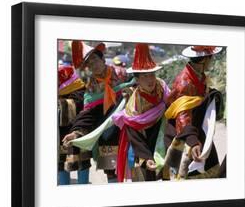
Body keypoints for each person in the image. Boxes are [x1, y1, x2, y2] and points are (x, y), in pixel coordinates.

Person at [62, 41, 134, 183]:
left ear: (102, 59)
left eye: (94, 59)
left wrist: (130, 93)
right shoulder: (90, 86)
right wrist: (76, 132)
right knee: (111, 171)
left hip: (128, 128)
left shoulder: (121, 74)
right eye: (88, 63)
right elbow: (88, 112)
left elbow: (138, 86)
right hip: (106, 132)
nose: (92, 64)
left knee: (136, 166)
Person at [164, 45, 224, 179]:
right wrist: (193, 141)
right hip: (185, 133)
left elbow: (199, 100)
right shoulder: (184, 83)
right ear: (204, 60)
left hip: (197, 131)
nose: (212, 61)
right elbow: (183, 116)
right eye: (211, 58)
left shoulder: (199, 76)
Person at [112, 43, 170, 182]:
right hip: (143, 145)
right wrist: (146, 157)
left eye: (152, 74)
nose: (150, 79)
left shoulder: (161, 86)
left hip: (163, 138)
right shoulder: (133, 107)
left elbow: (171, 105)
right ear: (137, 80)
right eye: (144, 76)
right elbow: (134, 133)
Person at [57, 63, 86, 184]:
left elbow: (77, 104)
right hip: (65, 135)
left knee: (83, 163)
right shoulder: (61, 90)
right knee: (62, 163)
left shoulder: (79, 90)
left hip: (78, 132)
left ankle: (83, 188)